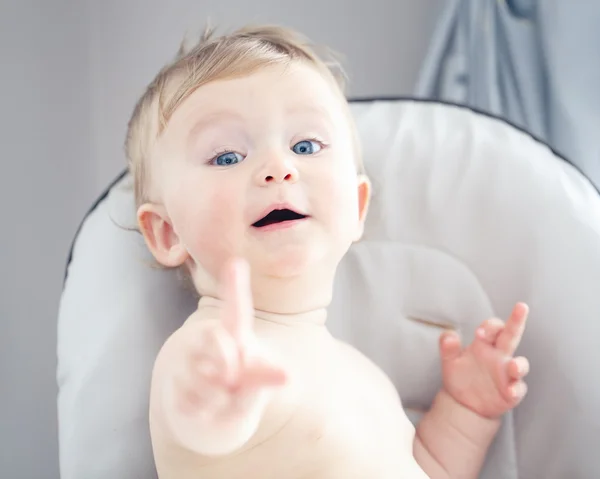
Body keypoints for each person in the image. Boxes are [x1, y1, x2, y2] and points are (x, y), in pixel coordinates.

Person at [125, 24, 530, 479]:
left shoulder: (365, 376)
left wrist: (467, 411)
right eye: (226, 156)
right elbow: (195, 415)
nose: (278, 167)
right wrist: (216, 401)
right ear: (165, 232)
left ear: (357, 207)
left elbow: (427, 470)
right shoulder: (206, 352)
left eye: (305, 145)